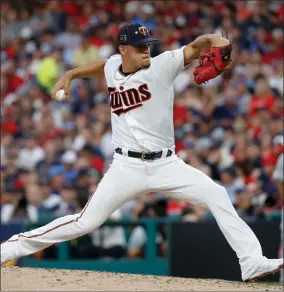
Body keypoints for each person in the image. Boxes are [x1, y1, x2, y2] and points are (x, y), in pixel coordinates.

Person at [1, 22, 283, 282]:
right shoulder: (114, 66)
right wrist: (71, 74)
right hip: (126, 167)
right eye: (139, 47)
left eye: (148, 44)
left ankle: (252, 262)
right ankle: (10, 248)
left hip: (166, 164)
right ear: (124, 49)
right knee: (84, 222)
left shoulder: (163, 65)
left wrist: (214, 39)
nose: (146, 49)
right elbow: (105, 65)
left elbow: (198, 47)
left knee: (216, 194)